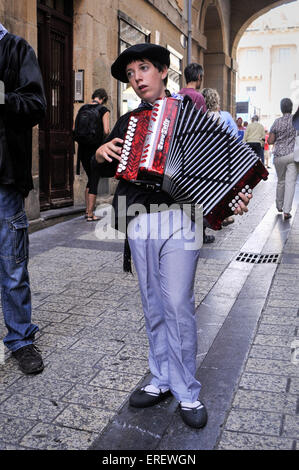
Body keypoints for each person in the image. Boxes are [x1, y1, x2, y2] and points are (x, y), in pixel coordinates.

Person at [94, 43, 252, 429]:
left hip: (182, 218)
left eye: (144, 69)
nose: (136, 78)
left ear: (164, 71)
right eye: (131, 74)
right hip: (139, 218)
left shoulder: (191, 114)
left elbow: (223, 163)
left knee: (178, 302)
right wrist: (99, 152)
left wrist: (236, 195)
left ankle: (187, 390)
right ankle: (160, 377)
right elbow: (99, 163)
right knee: (152, 302)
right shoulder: (129, 121)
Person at [0, 24, 46, 373]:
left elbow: (36, 104)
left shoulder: (15, 48)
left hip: (4, 179)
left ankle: (20, 339)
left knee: (12, 266)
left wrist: (2, 97)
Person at [179, 65, 215, 242]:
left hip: (180, 152)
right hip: (195, 152)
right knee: (198, 195)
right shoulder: (197, 97)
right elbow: (202, 128)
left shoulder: (177, 95)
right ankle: (200, 233)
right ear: (199, 77)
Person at [201, 87, 238, 226]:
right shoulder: (226, 116)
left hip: (206, 158)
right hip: (223, 157)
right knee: (224, 186)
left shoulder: (201, 116)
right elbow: (235, 136)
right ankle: (225, 216)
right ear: (217, 100)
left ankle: (210, 215)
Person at [75, 88, 110, 221]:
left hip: (83, 149)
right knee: (94, 178)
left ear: (94, 96)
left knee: (90, 178)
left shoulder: (82, 108)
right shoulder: (103, 110)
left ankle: (87, 210)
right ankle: (90, 214)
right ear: (103, 99)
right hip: (96, 149)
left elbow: (74, 129)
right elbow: (106, 130)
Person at [268, 98, 298, 220]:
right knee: (290, 183)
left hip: (279, 157)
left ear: (281, 108)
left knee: (281, 181)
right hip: (292, 155)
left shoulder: (276, 122)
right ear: (291, 108)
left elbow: (270, 141)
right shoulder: (295, 121)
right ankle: (286, 211)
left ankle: (279, 206)